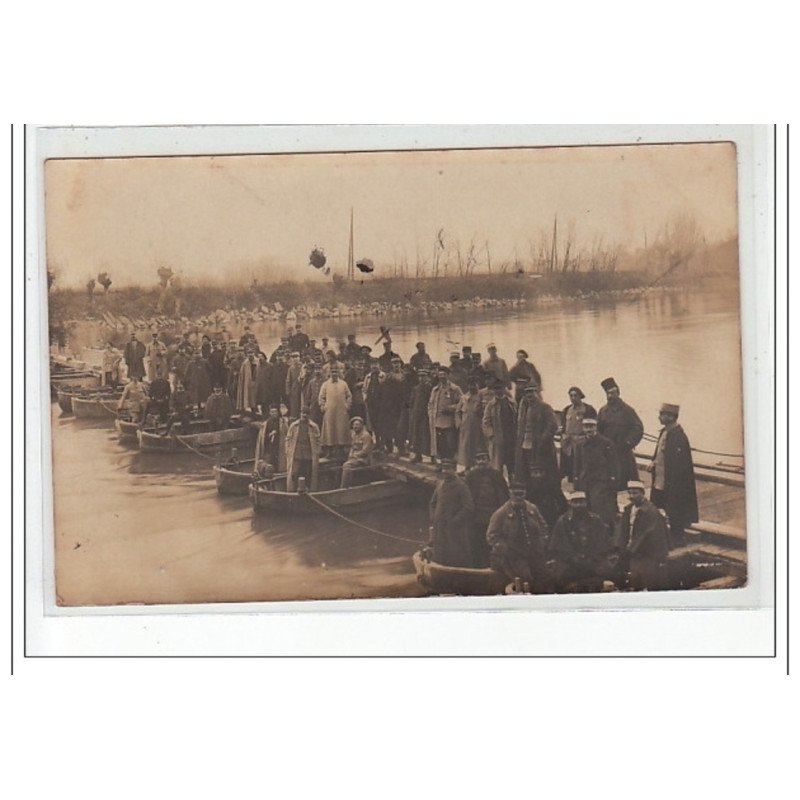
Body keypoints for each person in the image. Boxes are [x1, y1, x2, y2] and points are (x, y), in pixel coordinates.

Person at [649, 402, 699, 548]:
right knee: (658, 507)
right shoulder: (665, 432)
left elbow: (679, 464)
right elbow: (660, 453)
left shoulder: (678, 436)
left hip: (673, 482)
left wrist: (674, 483)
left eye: (662, 414)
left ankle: (678, 540)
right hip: (661, 478)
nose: (659, 417)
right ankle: (663, 537)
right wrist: (654, 463)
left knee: (675, 511)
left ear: (671, 417)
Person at [486, 482, 550, 591]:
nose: (518, 497)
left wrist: (541, 543)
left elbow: (543, 527)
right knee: (526, 579)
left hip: (534, 551)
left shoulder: (532, 509)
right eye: (515, 494)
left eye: (521, 494)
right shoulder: (501, 513)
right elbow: (491, 536)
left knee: (545, 577)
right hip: (513, 555)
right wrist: (505, 549)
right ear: (510, 494)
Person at [548, 491, 614, 592]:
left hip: (593, 562)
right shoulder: (563, 521)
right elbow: (558, 547)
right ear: (570, 503)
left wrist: (592, 558)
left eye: (581, 502)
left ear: (586, 503)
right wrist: (573, 559)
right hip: (570, 564)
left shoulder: (595, 520)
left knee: (610, 576)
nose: (579, 505)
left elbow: (603, 543)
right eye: (575, 502)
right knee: (558, 581)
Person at [613, 480, 670, 590]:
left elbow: (647, 534)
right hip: (631, 547)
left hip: (645, 552)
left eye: (635, 493)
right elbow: (622, 529)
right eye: (630, 493)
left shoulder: (651, 512)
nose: (632, 496)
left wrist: (631, 548)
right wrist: (620, 544)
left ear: (643, 494)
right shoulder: (629, 509)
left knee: (643, 578)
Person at [427, 459, 476, 568]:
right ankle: (440, 569)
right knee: (440, 551)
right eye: (444, 468)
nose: (445, 471)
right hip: (439, 526)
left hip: (455, 528)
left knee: (456, 553)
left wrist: (456, 520)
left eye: (448, 468)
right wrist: (434, 517)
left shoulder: (461, 486)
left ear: (454, 470)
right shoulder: (440, 484)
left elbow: (469, 507)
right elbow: (432, 503)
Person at [464, 450, 509, 567]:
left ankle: (492, 565)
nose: (481, 462)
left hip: (493, 515)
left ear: (489, 460)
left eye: (484, 459)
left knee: (492, 542)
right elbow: (466, 496)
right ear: (476, 461)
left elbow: (504, 494)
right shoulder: (471, 476)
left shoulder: (496, 475)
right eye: (479, 459)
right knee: (476, 541)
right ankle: (476, 565)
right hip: (476, 515)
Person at [573, 417, 619, 530]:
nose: (589, 429)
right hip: (585, 481)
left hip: (600, 482)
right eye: (586, 426)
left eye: (591, 426)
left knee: (599, 509)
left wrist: (612, 481)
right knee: (585, 508)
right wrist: (576, 480)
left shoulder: (606, 443)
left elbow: (614, 464)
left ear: (596, 427)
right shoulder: (579, 444)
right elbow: (577, 464)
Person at [597, 377, 644, 484]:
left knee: (624, 482)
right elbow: (598, 430)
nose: (610, 396)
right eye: (608, 394)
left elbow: (638, 428)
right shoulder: (603, 411)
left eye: (613, 393)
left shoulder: (627, 410)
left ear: (618, 392)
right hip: (607, 452)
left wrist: (627, 443)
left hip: (623, 453)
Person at [515, 383, 560, 494]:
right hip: (525, 444)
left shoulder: (545, 407)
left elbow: (553, 425)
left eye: (532, 392)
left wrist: (542, 440)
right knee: (525, 472)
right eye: (527, 392)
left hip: (540, 446)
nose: (529, 395)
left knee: (541, 472)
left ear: (537, 393)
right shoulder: (523, 408)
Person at [481, 378, 517, 479]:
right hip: (498, 439)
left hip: (511, 439)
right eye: (496, 388)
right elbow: (485, 422)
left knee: (511, 465)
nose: (498, 390)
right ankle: (499, 486)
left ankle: (512, 484)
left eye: (500, 388)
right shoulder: (491, 405)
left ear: (504, 389)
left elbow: (517, 418)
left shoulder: (511, 403)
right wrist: (491, 435)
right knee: (497, 466)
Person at [560, 386, 597, 481]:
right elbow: (563, 426)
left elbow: (594, 426)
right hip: (569, 444)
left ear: (580, 396)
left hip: (582, 442)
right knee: (570, 467)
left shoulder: (588, 409)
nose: (573, 398)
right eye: (571, 396)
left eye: (575, 395)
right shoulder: (567, 409)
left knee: (582, 466)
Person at [427, 366, 463, 463]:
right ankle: (442, 463)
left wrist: (450, 408)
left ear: (448, 375)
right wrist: (431, 414)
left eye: (444, 374)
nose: (442, 377)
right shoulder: (435, 389)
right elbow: (430, 404)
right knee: (440, 444)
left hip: (449, 422)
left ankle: (450, 464)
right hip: (437, 421)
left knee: (450, 444)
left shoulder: (455, 389)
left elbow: (462, 403)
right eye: (440, 374)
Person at [318, 366, 352, 456]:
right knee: (329, 430)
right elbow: (321, 396)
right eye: (332, 372)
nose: (334, 374)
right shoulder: (325, 384)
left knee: (341, 429)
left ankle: (341, 450)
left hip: (341, 410)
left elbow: (349, 395)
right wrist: (322, 406)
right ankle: (329, 451)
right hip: (329, 410)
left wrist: (347, 405)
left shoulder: (343, 384)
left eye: (336, 372)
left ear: (338, 373)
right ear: (329, 373)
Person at [286, 406, 321, 491]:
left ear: (309, 415)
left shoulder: (313, 426)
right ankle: (294, 490)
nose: (304, 415)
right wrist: (287, 450)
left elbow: (318, 440)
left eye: (306, 413)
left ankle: (307, 490)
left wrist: (317, 451)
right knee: (295, 472)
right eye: (303, 413)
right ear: (300, 414)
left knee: (308, 472)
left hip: (309, 453)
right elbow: (288, 439)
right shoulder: (294, 425)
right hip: (297, 453)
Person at [379, 357, 408, 454]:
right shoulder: (389, 376)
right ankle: (389, 447)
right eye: (394, 363)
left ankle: (401, 447)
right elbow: (383, 390)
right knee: (390, 425)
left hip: (402, 404)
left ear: (400, 364)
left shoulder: (405, 375)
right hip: (390, 405)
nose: (396, 365)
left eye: (398, 363)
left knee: (401, 427)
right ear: (392, 365)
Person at [455, 378, 486, 469]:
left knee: (477, 447)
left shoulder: (481, 396)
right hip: (466, 426)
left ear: (477, 385)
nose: (472, 387)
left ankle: (477, 467)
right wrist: (459, 423)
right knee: (465, 447)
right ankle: (467, 466)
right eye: (470, 385)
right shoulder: (464, 397)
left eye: (474, 384)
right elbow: (457, 411)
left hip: (477, 426)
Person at [340, 417, 375, 488]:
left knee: (346, 465)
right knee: (344, 463)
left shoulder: (366, 435)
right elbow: (352, 447)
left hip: (363, 459)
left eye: (357, 425)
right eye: (354, 425)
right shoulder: (354, 435)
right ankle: (350, 484)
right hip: (355, 458)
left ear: (362, 425)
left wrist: (355, 455)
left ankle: (343, 487)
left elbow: (365, 451)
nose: (355, 427)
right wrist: (350, 453)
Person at [408, 368, 433, 463]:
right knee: (416, 435)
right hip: (416, 415)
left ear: (427, 377)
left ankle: (432, 457)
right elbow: (412, 402)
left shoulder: (429, 388)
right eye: (420, 376)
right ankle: (418, 455)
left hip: (426, 416)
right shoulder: (416, 388)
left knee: (427, 436)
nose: (421, 378)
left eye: (424, 376)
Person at [255, 405, 288, 472]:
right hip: (269, 447)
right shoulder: (266, 424)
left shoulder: (282, 423)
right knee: (269, 461)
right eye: (272, 412)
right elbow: (263, 437)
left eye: (275, 412)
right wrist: (270, 434)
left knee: (279, 462)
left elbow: (286, 434)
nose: (274, 413)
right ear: (270, 413)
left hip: (279, 446)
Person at [362, 361, 384, 443]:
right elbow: (364, 389)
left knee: (380, 423)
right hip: (371, 402)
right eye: (373, 365)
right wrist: (365, 399)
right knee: (371, 423)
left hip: (380, 403)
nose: (374, 367)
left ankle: (381, 442)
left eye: (376, 365)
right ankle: (371, 442)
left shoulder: (383, 376)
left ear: (379, 366)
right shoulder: (368, 376)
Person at [302, 361, 326, 427]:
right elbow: (308, 395)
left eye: (319, 369)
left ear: (322, 370)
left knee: (322, 421)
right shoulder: (311, 382)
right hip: (313, 405)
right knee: (313, 421)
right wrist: (307, 405)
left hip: (323, 405)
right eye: (316, 369)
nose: (317, 371)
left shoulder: (325, 381)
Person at [253, 352, 273, 416]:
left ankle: (267, 415)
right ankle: (263, 415)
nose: (260, 358)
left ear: (264, 357)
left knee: (266, 402)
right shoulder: (257, 366)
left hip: (267, 387)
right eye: (258, 357)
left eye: (261, 356)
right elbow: (255, 377)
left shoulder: (270, 365)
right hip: (259, 388)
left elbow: (272, 377)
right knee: (261, 402)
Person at [285, 352, 303, 419]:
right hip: (294, 388)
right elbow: (288, 380)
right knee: (294, 405)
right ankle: (294, 418)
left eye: (297, 357)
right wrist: (288, 390)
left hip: (302, 388)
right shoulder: (291, 368)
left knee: (302, 403)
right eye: (293, 357)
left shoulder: (303, 366)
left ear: (299, 358)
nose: (295, 359)